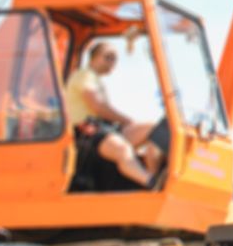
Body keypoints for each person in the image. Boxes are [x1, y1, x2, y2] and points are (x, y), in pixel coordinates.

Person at [64, 40, 161, 187]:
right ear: (93, 58)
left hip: (104, 129)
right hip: (86, 132)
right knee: (122, 149)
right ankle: (151, 183)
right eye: (108, 57)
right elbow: (98, 106)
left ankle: (157, 176)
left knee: (155, 130)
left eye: (114, 59)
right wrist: (127, 121)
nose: (112, 63)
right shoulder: (84, 75)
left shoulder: (96, 80)